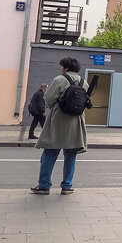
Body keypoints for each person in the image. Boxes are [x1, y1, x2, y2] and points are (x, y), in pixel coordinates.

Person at [31, 57, 87, 195]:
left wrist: (52, 107)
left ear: (66, 68)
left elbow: (48, 98)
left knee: (50, 153)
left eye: (62, 67)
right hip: (76, 122)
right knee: (71, 156)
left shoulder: (59, 80)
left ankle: (44, 185)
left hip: (58, 121)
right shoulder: (83, 82)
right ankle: (67, 186)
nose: (61, 69)